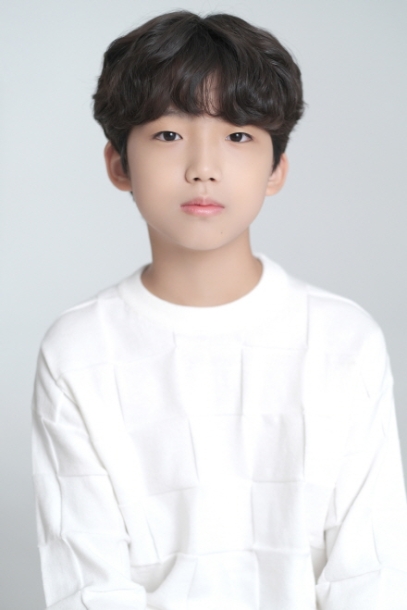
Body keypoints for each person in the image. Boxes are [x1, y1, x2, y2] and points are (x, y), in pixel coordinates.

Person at [31, 10, 407, 610]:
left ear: (276, 169)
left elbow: (371, 575)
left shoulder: (344, 341)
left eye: (237, 136)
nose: (202, 167)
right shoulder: (78, 352)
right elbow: (90, 584)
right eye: (168, 135)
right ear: (118, 165)